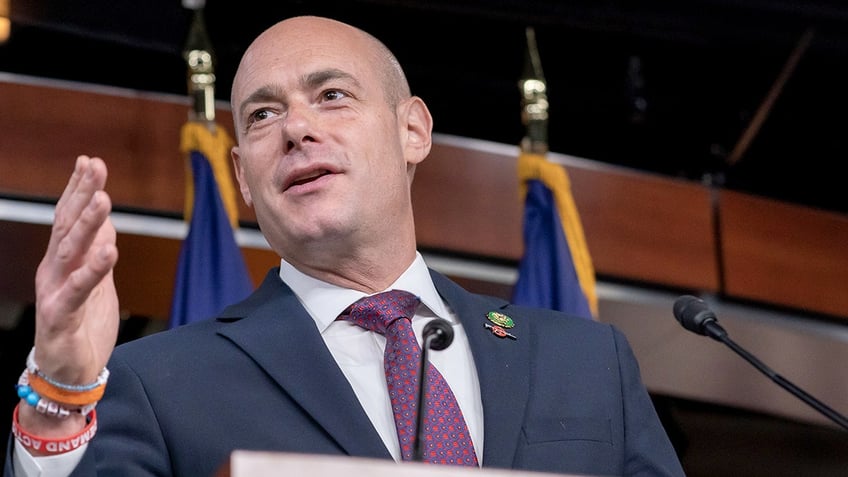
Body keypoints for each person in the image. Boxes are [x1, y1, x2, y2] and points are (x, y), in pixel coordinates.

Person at [4, 15, 685, 477]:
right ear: (242, 175)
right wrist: (59, 394)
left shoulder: (588, 362)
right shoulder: (157, 384)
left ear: (412, 131)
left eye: (331, 95)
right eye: (262, 114)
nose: (297, 128)